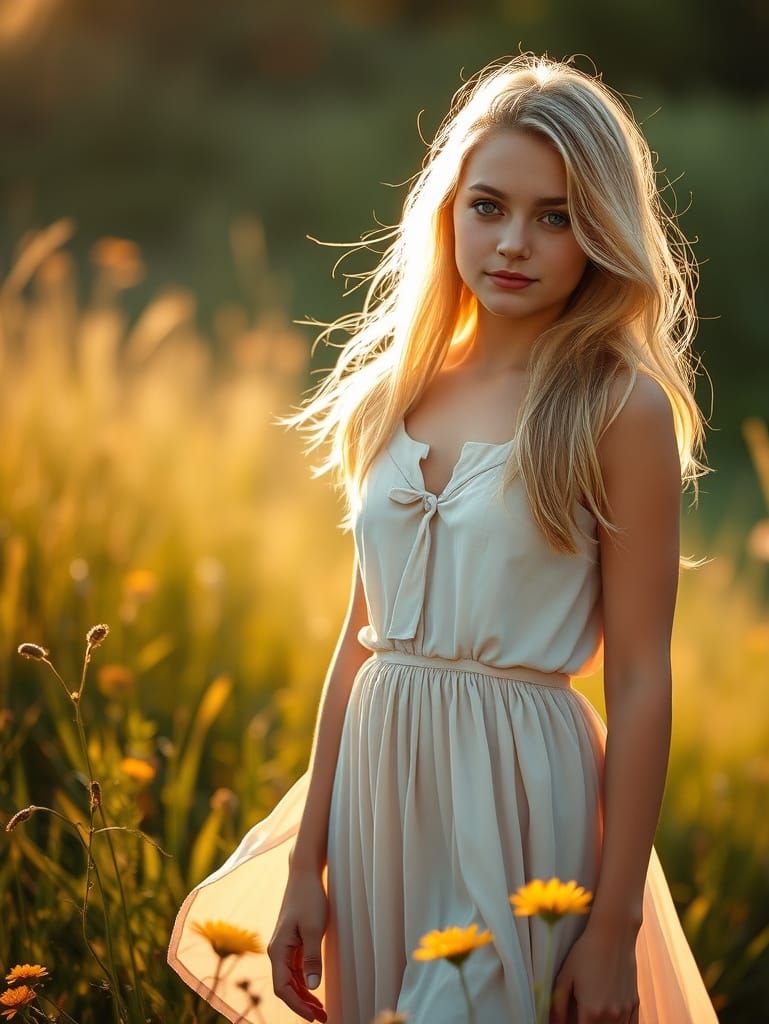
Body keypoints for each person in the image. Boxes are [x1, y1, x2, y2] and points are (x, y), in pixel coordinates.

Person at [167, 51, 719, 1024]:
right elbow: (359, 643)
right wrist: (305, 863)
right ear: (448, 210)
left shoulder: (615, 408)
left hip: (519, 798)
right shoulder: (393, 390)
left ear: (601, 232)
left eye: (556, 217)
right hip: (377, 795)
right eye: (488, 206)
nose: (513, 242)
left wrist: (612, 923)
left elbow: (639, 678)